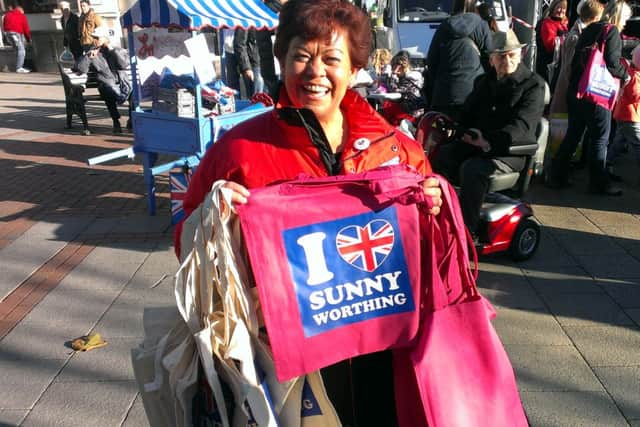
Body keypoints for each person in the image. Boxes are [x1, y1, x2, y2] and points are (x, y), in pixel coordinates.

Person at [175, 1, 443, 425]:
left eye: (332, 58)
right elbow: (185, 239)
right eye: (302, 55)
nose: (315, 72)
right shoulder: (239, 150)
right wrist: (217, 220)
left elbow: (438, 258)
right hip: (289, 354)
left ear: (355, 70)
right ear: (281, 60)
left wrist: (434, 211)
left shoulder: (396, 151)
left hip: (385, 351)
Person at [431, 29, 545, 241]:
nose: (507, 60)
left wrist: (488, 141)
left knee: (472, 169)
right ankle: (441, 217)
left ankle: (466, 232)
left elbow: (521, 126)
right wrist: (456, 128)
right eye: (501, 56)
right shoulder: (483, 81)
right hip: (477, 144)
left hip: (508, 151)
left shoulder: (533, 85)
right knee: (439, 156)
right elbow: (467, 112)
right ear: (491, 59)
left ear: (521, 54)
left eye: (512, 55)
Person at [546, 0, 632, 195]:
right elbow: (611, 62)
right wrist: (625, 74)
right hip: (596, 93)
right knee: (600, 138)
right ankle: (599, 183)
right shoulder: (611, 32)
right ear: (618, 16)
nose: (626, 23)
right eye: (625, 18)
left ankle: (556, 175)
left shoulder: (590, 28)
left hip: (577, 90)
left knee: (574, 134)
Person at [424, 0, 492, 121]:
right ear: (474, 6)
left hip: (444, 95)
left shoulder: (443, 27)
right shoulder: (481, 25)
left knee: (443, 136)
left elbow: (432, 61)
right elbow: (490, 59)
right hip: (473, 93)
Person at [549, 0, 604, 117]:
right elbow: (570, 67)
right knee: (565, 127)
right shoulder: (576, 37)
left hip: (570, 87)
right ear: (594, 17)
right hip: (569, 87)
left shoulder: (579, 33)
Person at [77, 26, 130, 134]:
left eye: (97, 38)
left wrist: (112, 50)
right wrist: (88, 58)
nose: (94, 40)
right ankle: (116, 121)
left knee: (133, 92)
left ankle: (132, 120)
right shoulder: (92, 52)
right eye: (94, 37)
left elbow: (123, 65)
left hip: (122, 82)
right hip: (105, 83)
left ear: (105, 38)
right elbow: (81, 69)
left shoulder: (117, 50)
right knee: (108, 91)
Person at [606, 44, 640, 182]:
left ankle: (606, 163)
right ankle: (605, 163)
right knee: (638, 144)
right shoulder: (635, 76)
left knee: (619, 141)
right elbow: (634, 95)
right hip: (629, 116)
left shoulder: (631, 73)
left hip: (625, 115)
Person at [380, 50, 425, 125]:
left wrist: (393, 75)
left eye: (394, 66)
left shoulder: (412, 78)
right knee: (386, 107)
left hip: (412, 113)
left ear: (400, 66)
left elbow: (395, 91)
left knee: (383, 112)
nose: (392, 69)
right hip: (408, 110)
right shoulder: (408, 76)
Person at [535, 0, 569, 82]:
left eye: (563, 8)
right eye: (559, 8)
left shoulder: (562, 22)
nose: (561, 10)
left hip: (557, 64)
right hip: (548, 65)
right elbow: (551, 46)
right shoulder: (547, 23)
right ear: (553, 8)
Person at [233, 27, 264, 97]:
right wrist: (246, 68)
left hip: (265, 63)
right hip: (254, 65)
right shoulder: (245, 22)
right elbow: (239, 44)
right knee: (257, 97)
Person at [2, 0, 31, 73]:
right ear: (21, 10)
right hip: (16, 33)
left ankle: (15, 66)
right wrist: (28, 39)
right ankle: (19, 67)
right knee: (22, 50)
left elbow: (4, 25)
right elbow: (26, 28)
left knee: (16, 50)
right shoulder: (21, 15)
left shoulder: (7, 15)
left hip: (8, 34)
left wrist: (6, 34)